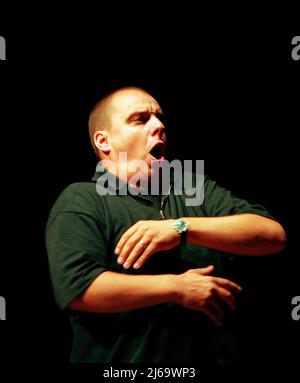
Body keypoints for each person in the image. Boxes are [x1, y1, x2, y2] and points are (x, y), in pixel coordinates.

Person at [45, 86, 286, 363]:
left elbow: (272, 235)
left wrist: (179, 228)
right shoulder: (82, 198)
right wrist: (176, 288)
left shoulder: (193, 189)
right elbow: (78, 288)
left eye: (159, 118)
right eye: (140, 119)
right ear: (104, 141)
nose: (159, 125)